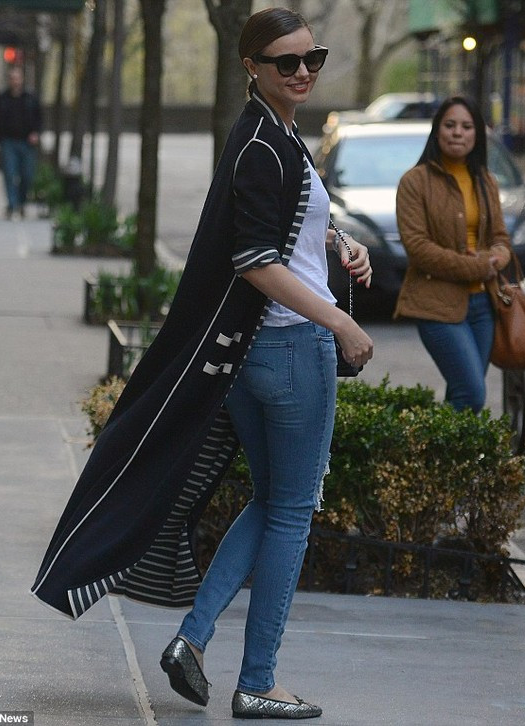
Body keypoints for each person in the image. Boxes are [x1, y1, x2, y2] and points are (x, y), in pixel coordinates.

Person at [31, 6, 373, 720]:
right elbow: (254, 261)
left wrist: (337, 241)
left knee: (272, 501)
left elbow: (280, 230)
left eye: (312, 58)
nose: (304, 72)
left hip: (253, 351)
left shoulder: (272, 134)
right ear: (251, 66)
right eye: (287, 62)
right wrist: (338, 319)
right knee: (293, 513)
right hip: (290, 347)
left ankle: (192, 639)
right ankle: (258, 680)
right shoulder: (263, 143)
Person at [394, 95, 511, 413]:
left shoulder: (486, 181)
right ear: (437, 130)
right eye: (450, 125)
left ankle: (443, 447)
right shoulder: (414, 182)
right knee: (471, 393)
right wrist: (479, 266)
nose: (458, 132)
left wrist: (498, 257)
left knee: (464, 396)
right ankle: (437, 445)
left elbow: (500, 238)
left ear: (477, 135)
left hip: (484, 305)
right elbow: (418, 249)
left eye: (466, 126)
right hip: (436, 306)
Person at [0, 67, 41, 219]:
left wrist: (36, 133)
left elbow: (39, 118)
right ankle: (12, 204)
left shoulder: (30, 98)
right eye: (12, 78)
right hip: (8, 141)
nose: (15, 81)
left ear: (22, 79)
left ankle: (21, 202)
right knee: (9, 174)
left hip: (27, 142)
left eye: (17, 78)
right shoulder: (2, 99)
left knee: (27, 175)